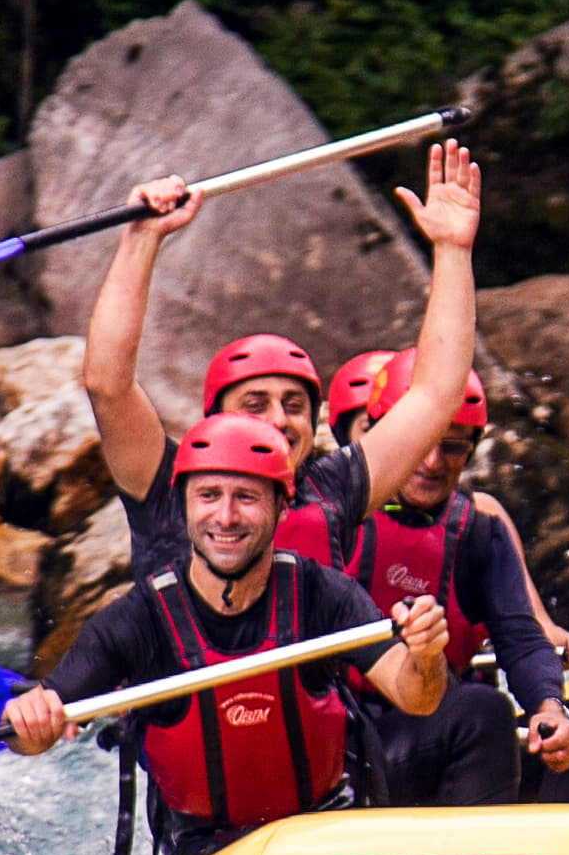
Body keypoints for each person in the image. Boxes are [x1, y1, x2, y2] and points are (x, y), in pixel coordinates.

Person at [8, 416, 453, 855]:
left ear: (281, 508)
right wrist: (28, 721)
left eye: (246, 497)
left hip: (323, 833)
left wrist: (425, 654)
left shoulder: (323, 594)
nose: (225, 517)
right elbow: (34, 728)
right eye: (208, 496)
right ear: (184, 505)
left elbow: (417, 697)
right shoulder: (137, 619)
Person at [77, 130, 488, 586]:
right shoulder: (165, 488)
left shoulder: (334, 489)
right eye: (255, 405)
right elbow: (106, 384)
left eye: (295, 406)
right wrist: (142, 238)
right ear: (214, 420)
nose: (279, 419)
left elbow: (436, 394)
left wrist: (452, 251)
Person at [339, 351, 569, 804]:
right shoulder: (332, 518)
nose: (433, 462)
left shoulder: (477, 530)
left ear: (471, 449)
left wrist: (549, 711)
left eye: (452, 446)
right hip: (351, 749)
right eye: (421, 440)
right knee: (480, 711)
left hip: (440, 732)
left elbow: (522, 637)